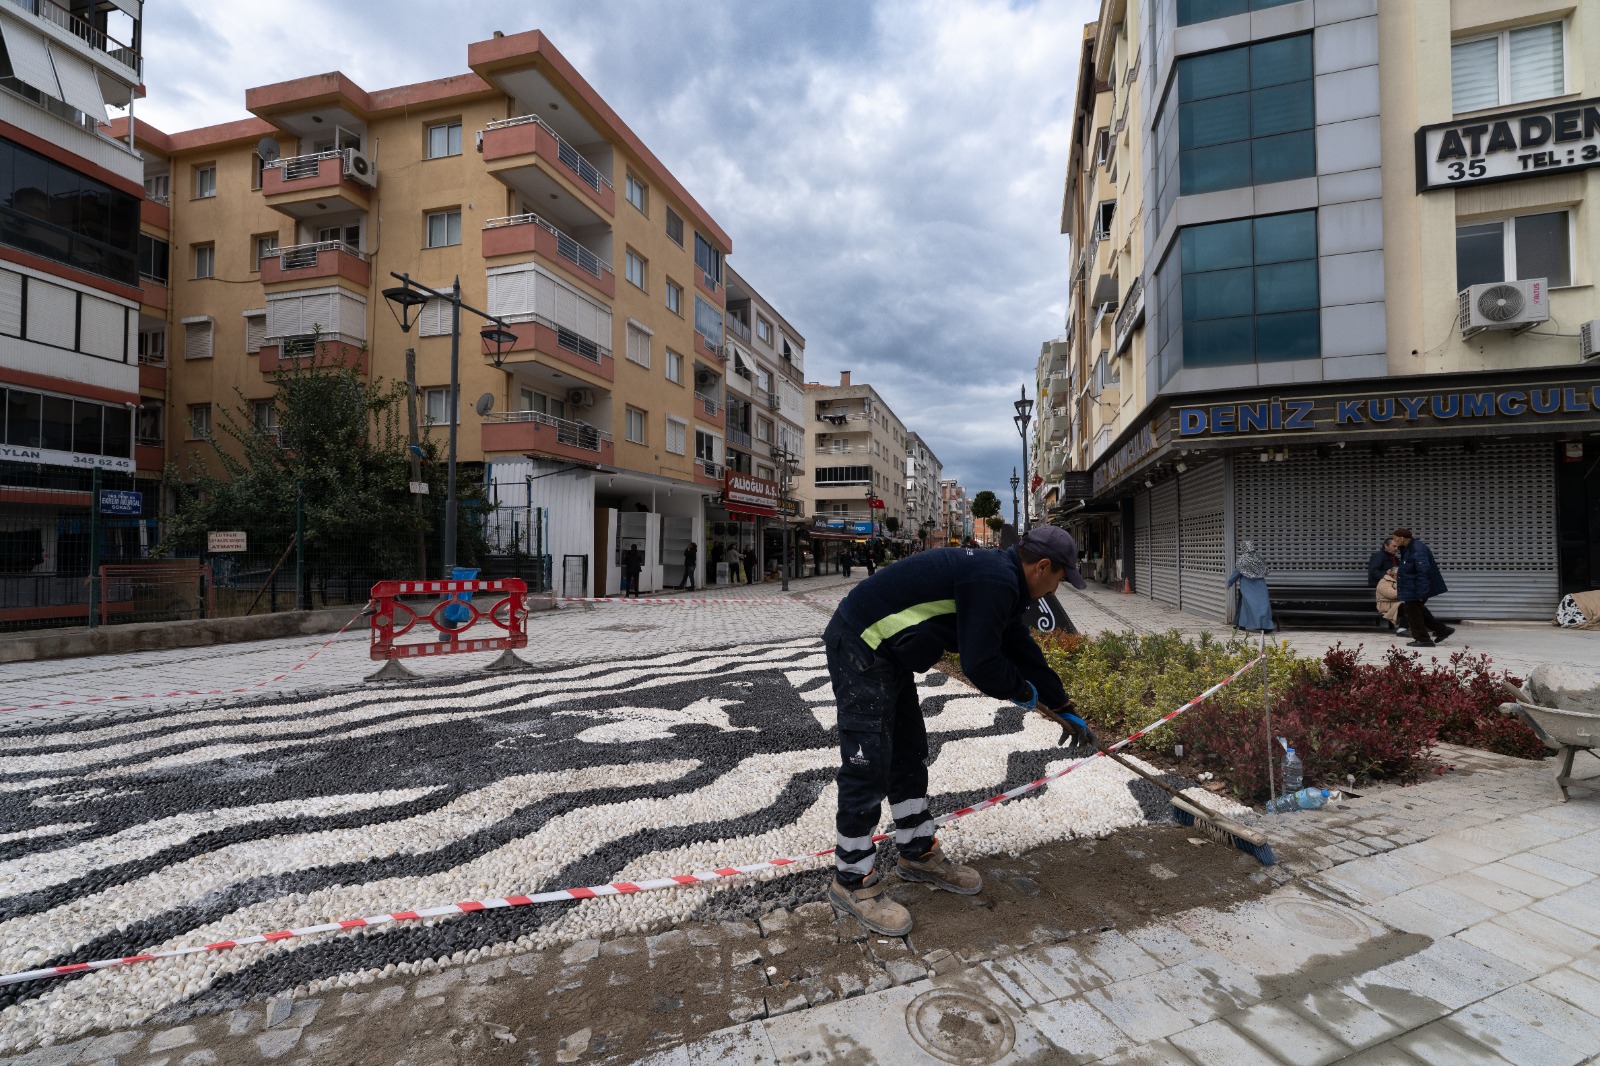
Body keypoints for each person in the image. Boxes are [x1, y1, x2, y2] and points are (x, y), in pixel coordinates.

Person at [821, 526, 1096, 935]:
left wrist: (1062, 705)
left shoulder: (1005, 582)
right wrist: (1022, 692)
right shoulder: (995, 580)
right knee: (869, 764)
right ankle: (851, 879)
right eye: (1060, 578)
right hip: (861, 642)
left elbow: (1021, 650)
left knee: (908, 753)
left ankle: (916, 853)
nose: (1057, 589)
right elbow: (980, 662)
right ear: (1042, 567)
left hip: (889, 654)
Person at [1393, 528, 1453, 647]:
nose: (1394, 542)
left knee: (1413, 614)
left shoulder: (1417, 550)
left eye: (1395, 539)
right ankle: (1442, 630)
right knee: (1417, 611)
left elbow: (1423, 572)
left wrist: (1422, 593)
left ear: (1401, 538)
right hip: (1412, 587)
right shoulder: (1408, 548)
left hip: (1416, 588)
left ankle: (1423, 639)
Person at [1226, 539, 1275, 632]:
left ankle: (1243, 624)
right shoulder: (1259, 559)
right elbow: (1266, 570)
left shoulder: (1242, 560)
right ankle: (1266, 626)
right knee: (1262, 605)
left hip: (1247, 585)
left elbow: (1237, 572)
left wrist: (1230, 582)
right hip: (1260, 586)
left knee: (1247, 605)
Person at [1368, 536, 1404, 634]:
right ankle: (1403, 627)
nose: (1396, 549)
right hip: (1381, 585)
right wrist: (1387, 576)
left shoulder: (1394, 558)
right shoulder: (1378, 556)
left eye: (1397, 547)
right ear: (1386, 546)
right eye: (1394, 546)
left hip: (1392, 585)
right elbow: (1373, 570)